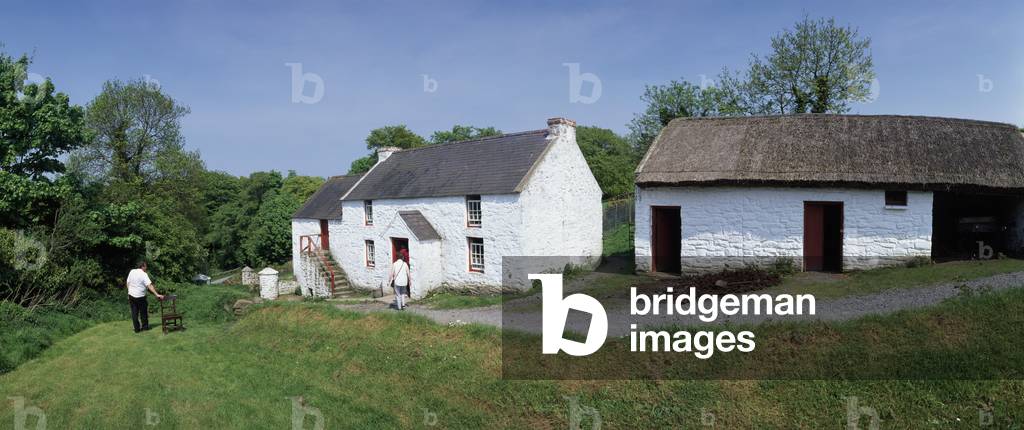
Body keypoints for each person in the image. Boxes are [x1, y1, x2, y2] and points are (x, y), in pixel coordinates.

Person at [127, 261, 164, 333]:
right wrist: (157, 294)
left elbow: (128, 282)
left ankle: (137, 329)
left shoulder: (132, 271)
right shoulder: (144, 274)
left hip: (131, 295)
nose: (146, 268)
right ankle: (145, 327)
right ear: (142, 266)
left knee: (134, 313)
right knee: (143, 312)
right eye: (145, 266)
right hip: (140, 296)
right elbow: (149, 285)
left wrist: (129, 292)